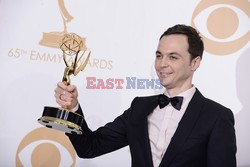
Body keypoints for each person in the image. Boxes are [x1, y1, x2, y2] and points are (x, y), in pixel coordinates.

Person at [54, 24, 237, 167]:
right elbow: (89, 147)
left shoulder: (217, 117)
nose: (161, 64)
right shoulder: (139, 108)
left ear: (195, 63)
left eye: (173, 57)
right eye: (159, 55)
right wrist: (72, 109)